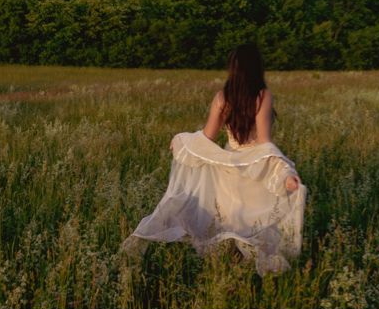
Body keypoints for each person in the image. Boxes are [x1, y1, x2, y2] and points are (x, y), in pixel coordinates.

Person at [122, 44, 305, 275]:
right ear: (256, 69)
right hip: (254, 170)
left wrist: (183, 142)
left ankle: (227, 270)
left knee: (232, 222)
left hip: (229, 171)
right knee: (253, 226)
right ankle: (247, 274)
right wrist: (284, 174)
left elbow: (206, 137)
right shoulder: (262, 96)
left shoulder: (223, 98)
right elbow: (264, 145)